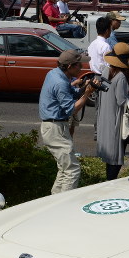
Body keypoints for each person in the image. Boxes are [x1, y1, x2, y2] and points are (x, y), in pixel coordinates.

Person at [39, 50, 92, 194]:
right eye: (79, 65)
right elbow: (71, 110)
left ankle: (54, 202)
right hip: (56, 128)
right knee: (72, 169)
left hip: (52, 126)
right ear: (69, 67)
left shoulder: (54, 73)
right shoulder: (60, 82)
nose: (81, 67)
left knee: (63, 169)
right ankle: (64, 206)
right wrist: (87, 93)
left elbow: (69, 93)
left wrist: (82, 88)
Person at [97, 42, 129, 180]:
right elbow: (121, 101)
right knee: (116, 153)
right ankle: (110, 181)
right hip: (115, 118)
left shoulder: (106, 71)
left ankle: (108, 179)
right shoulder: (121, 77)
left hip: (104, 116)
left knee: (108, 154)